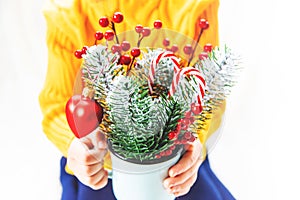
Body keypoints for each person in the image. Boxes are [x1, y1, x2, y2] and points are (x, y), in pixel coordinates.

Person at [39, 0, 234, 199]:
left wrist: (194, 145)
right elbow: (55, 104)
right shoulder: (70, 16)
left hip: (175, 168)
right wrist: (75, 146)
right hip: (99, 171)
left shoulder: (194, 6)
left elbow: (209, 91)